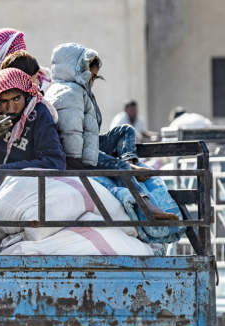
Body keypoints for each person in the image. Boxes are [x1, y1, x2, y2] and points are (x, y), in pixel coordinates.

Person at [45, 43, 177, 221]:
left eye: (94, 78)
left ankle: (129, 161)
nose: (92, 82)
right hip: (79, 153)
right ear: (76, 71)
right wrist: (77, 165)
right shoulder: (71, 92)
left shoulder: (75, 89)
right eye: (89, 76)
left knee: (124, 131)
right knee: (120, 167)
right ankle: (146, 204)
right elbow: (71, 133)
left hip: (88, 144)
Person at [0, 68, 65, 197]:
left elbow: (55, 163)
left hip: (24, 193)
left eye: (16, 99)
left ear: (26, 95)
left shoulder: (38, 115)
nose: (11, 109)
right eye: (4, 101)